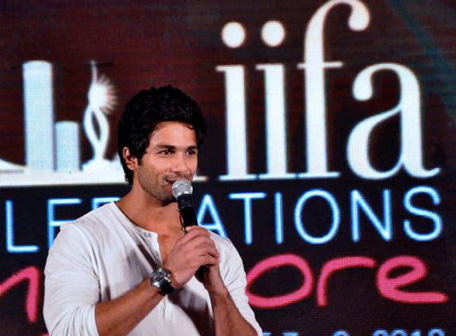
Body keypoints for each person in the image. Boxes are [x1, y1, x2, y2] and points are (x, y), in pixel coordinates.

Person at [43, 86, 262, 336]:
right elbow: (68, 331)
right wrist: (166, 278)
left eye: (189, 152)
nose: (181, 167)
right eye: (166, 152)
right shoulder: (82, 239)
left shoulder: (217, 249)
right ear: (131, 158)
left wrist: (217, 291)